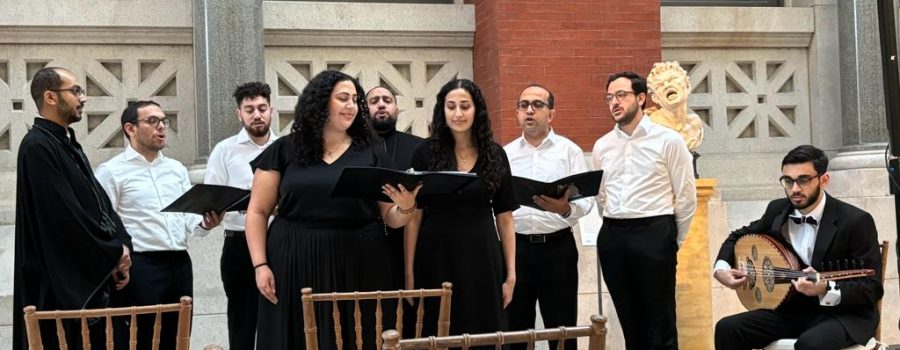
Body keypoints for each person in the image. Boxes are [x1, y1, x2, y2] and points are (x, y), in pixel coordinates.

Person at [245, 70, 420, 350]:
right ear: (321, 102)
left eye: (355, 99)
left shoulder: (372, 151)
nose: (352, 105)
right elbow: (257, 212)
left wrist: (407, 207)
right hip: (294, 258)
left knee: (357, 336)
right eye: (343, 98)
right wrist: (260, 264)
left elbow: (391, 217)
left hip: (360, 261)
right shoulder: (284, 149)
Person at [713, 145, 883, 350]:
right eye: (788, 180)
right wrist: (721, 269)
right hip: (792, 311)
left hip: (843, 314)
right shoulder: (777, 210)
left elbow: (872, 287)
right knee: (728, 328)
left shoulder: (855, 221)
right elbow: (738, 236)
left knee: (809, 345)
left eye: (803, 180)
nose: (794, 189)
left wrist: (824, 288)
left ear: (824, 180)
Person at [13, 67, 133, 350]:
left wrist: (123, 244)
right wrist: (112, 252)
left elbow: (99, 202)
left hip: (93, 275)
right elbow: (64, 217)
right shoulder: (37, 147)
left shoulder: (67, 143)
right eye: (76, 91)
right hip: (58, 287)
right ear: (51, 97)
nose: (84, 97)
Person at [95, 100, 222, 350]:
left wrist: (206, 222)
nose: (161, 127)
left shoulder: (175, 169)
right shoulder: (111, 171)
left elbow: (188, 219)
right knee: (140, 338)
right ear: (130, 128)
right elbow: (103, 223)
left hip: (179, 263)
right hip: (141, 266)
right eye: (152, 121)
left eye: (164, 121)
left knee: (178, 336)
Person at [405, 78, 518, 339]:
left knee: (485, 330)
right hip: (435, 255)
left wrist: (511, 274)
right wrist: (409, 272)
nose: (458, 113)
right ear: (442, 111)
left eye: (465, 106)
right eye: (451, 106)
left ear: (477, 110)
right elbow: (414, 217)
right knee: (438, 329)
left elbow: (505, 218)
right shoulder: (424, 153)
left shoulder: (495, 154)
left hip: (483, 255)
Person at [591, 71, 696, 349]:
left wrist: (671, 240)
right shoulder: (602, 146)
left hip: (654, 232)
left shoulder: (669, 140)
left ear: (641, 98)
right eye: (610, 97)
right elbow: (602, 196)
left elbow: (686, 196)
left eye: (621, 95)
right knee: (629, 322)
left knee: (660, 324)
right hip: (613, 235)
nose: (615, 102)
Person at [504, 84, 594, 350]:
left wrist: (565, 209)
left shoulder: (569, 151)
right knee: (515, 328)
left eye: (537, 105)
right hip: (516, 249)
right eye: (523, 105)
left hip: (558, 249)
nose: (529, 110)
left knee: (562, 328)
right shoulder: (505, 154)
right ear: (517, 113)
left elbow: (586, 201)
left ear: (551, 114)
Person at [204, 81, 278, 350]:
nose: (257, 114)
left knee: (280, 319)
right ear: (240, 114)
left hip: (280, 240)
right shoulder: (225, 150)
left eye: (261, 108)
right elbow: (212, 197)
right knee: (242, 321)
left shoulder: (285, 147)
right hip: (238, 243)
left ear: (272, 110)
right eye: (249, 109)